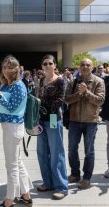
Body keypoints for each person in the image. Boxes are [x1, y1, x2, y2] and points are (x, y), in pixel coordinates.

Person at [0, 55, 33, 207]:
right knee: (17, 163)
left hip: (14, 127)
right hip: (8, 126)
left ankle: (9, 201)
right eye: (4, 67)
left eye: (9, 67)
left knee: (11, 165)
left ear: (16, 69)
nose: (5, 70)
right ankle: (26, 197)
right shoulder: (6, 84)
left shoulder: (18, 85)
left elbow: (11, 107)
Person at [64, 58, 105, 189]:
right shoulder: (73, 81)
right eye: (82, 65)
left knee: (89, 151)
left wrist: (86, 92)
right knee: (72, 150)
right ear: (79, 68)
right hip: (74, 120)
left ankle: (87, 178)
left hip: (90, 121)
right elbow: (66, 99)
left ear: (92, 67)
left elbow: (100, 100)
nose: (85, 67)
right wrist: (79, 94)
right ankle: (75, 174)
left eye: (88, 65)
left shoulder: (99, 81)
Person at [36, 54, 68, 200]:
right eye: (45, 64)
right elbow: (37, 98)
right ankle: (48, 182)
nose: (48, 66)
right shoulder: (41, 80)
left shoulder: (60, 81)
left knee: (56, 153)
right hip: (40, 120)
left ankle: (61, 186)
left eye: (50, 63)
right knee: (42, 152)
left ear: (55, 65)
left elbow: (60, 101)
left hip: (54, 118)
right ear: (42, 66)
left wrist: (42, 105)